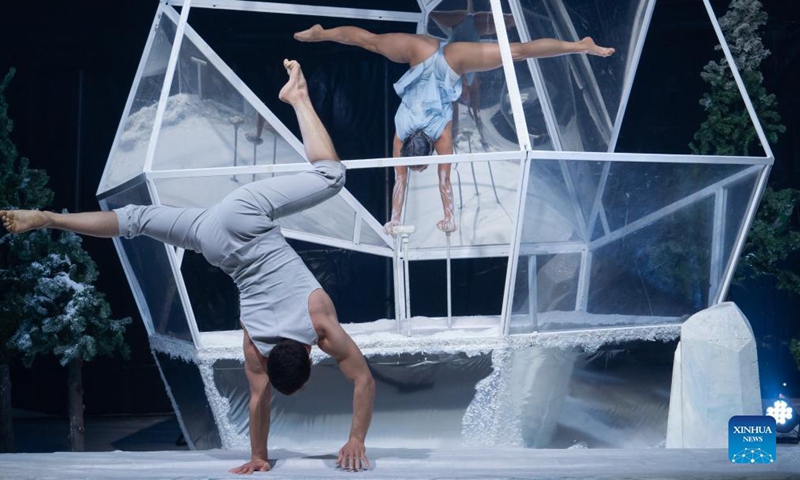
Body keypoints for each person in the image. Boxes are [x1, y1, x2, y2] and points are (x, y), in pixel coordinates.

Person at [0, 60, 375, 474]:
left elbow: (360, 381)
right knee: (138, 220)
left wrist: (267, 455)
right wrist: (260, 457)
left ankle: (50, 217)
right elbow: (260, 401)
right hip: (216, 242)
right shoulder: (257, 346)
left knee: (331, 176)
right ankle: (51, 219)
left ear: (307, 355)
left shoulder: (320, 323)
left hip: (236, 220)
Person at [294, 23, 614, 234]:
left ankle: (580, 45)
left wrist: (434, 218)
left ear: (424, 151)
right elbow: (406, 182)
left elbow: (442, 183)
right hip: (423, 57)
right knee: (372, 43)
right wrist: (401, 219)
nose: (415, 169)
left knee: (516, 53)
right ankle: (578, 45)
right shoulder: (402, 134)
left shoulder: (439, 137)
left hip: (448, 63)